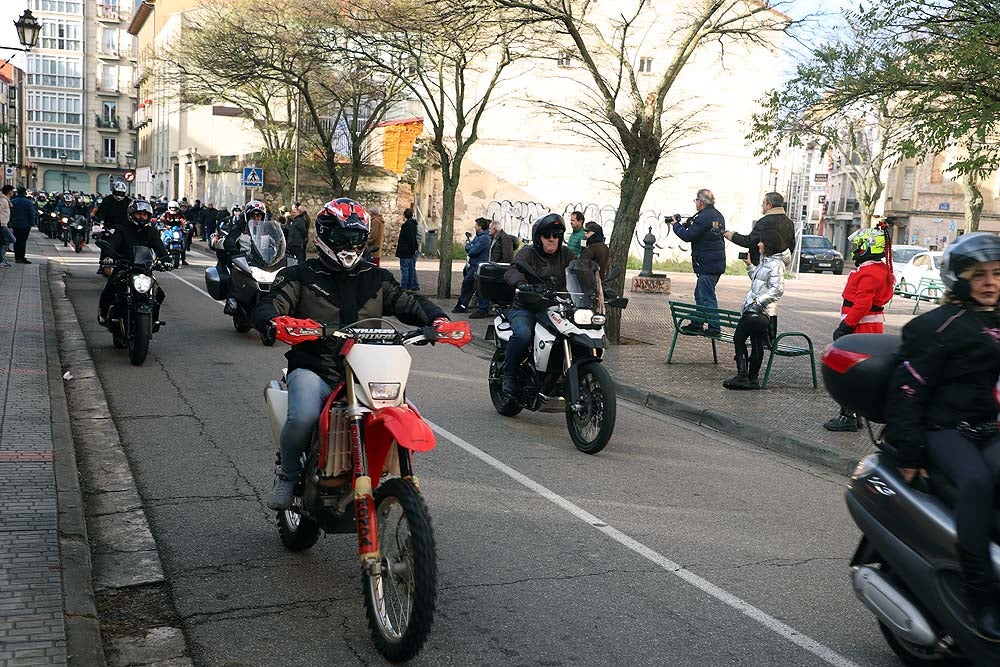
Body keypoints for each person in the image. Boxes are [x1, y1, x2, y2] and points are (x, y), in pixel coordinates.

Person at [252, 198, 447, 510]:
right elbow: (271, 303)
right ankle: (288, 476)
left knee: (408, 409)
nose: (350, 245)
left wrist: (437, 320)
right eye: (342, 237)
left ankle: (400, 488)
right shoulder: (300, 275)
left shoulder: (376, 278)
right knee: (302, 416)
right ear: (326, 235)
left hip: (367, 373)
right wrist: (273, 321)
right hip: (317, 368)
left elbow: (407, 301)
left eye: (356, 238)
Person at [884, 232, 1000, 641]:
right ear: (958, 279)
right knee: (976, 484)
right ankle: (980, 596)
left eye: (998, 274)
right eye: (979, 275)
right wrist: (910, 450)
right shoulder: (936, 327)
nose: (990, 282)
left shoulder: (995, 320)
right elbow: (907, 390)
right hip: (943, 429)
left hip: (988, 427)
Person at [823, 226, 896, 431]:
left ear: (867, 248)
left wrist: (846, 326)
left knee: (848, 370)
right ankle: (854, 414)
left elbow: (863, 304)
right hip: (866, 326)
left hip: (860, 327)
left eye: (858, 246)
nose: (855, 250)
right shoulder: (878, 270)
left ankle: (848, 416)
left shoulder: (871, 272)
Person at [501, 214, 577, 398]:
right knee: (523, 334)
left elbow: (580, 270)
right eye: (546, 235)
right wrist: (521, 284)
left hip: (557, 308)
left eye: (556, 235)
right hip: (526, 307)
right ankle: (508, 375)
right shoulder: (528, 253)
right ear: (538, 237)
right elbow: (512, 270)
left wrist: (599, 286)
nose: (552, 239)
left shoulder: (566, 254)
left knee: (576, 335)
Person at [723, 230, 786, 390]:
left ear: (769, 244)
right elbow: (758, 282)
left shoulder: (776, 264)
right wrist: (750, 266)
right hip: (755, 310)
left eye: (761, 241)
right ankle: (752, 379)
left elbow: (777, 290)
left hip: (760, 312)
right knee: (757, 342)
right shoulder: (765, 261)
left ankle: (742, 376)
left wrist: (758, 303)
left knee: (739, 338)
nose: (758, 244)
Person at [97, 200, 170, 325]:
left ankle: (154, 320)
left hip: (144, 269)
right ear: (131, 214)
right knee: (110, 288)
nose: (141, 217)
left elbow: (160, 248)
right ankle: (103, 315)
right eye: (138, 214)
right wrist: (108, 257)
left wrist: (166, 260)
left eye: (144, 214)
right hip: (125, 266)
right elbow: (113, 243)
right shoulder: (122, 229)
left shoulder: (151, 232)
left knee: (159, 294)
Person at [672, 189, 727, 336]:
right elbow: (699, 232)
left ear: (701, 202)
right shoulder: (716, 215)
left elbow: (688, 235)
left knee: (707, 297)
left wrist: (676, 225)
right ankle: (697, 323)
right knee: (700, 294)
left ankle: (714, 328)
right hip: (714, 263)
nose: (695, 203)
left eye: (696, 200)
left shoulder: (703, 217)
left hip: (707, 264)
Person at [723, 192, 796, 266]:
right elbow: (791, 245)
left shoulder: (764, 222)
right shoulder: (789, 222)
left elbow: (750, 241)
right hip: (780, 264)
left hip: (763, 264)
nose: (762, 205)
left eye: (763, 203)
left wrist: (732, 236)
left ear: (769, 205)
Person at [454, 217, 491, 318]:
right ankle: (463, 305)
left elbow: (472, 251)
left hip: (477, 266)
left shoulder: (484, 238)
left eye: (476, 225)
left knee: (471, 285)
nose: (474, 227)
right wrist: (470, 246)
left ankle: (479, 308)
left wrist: (469, 247)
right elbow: (470, 247)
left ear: (480, 226)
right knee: (469, 285)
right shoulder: (478, 236)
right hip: (474, 265)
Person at [395, 207, 420, 291]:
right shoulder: (414, 224)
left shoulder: (406, 225)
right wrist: (414, 249)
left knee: (405, 269)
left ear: (404, 215)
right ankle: (410, 285)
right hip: (410, 250)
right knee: (411, 269)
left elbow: (408, 239)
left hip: (405, 250)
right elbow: (413, 238)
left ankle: (404, 286)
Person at [9, 187, 34, 264]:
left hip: (15, 224)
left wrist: (10, 222)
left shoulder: (13, 201)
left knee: (16, 241)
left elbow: (10, 212)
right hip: (25, 224)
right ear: (24, 193)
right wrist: (32, 223)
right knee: (22, 241)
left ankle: (17, 257)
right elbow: (31, 213)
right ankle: (21, 257)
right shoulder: (28, 202)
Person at [161, 200, 188, 265]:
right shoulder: (166, 214)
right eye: (172, 208)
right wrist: (162, 223)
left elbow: (184, 221)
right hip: (168, 230)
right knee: (161, 240)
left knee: (184, 242)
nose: (173, 209)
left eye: (175, 208)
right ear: (169, 208)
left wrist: (185, 224)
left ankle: (183, 259)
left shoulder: (180, 214)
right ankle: (158, 256)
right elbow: (161, 219)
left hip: (178, 230)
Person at [0, 185, 12, 267]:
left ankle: (2, 260)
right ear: (9, 192)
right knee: (10, 239)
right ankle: (1, 260)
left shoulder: (6, 200)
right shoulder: (3, 200)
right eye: (12, 191)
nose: (13, 193)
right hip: (2, 224)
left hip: (4, 223)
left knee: (3, 242)